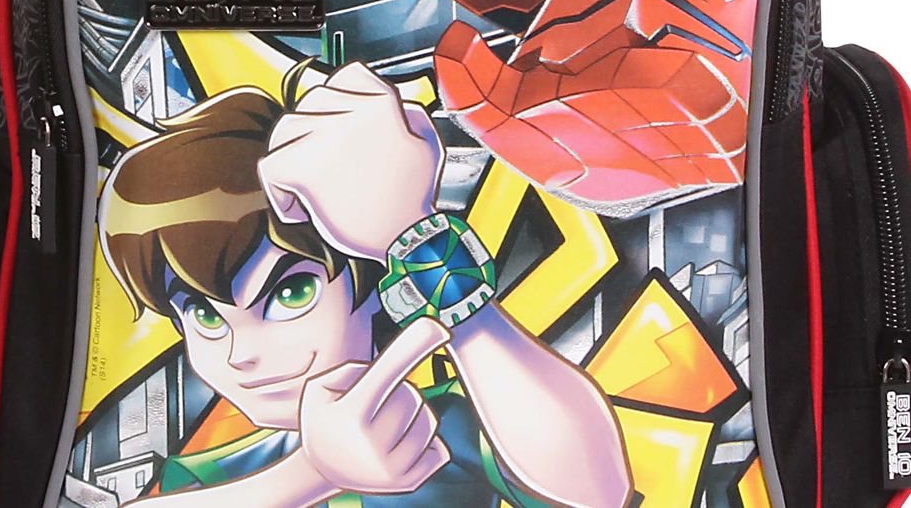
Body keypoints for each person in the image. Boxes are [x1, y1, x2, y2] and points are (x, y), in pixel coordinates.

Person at [100, 61, 632, 507]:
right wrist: (315, 473)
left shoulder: (447, 427)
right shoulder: (213, 474)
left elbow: (599, 492)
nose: (243, 354)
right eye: (206, 316)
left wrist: (416, 239)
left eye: (290, 294)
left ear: (377, 292)